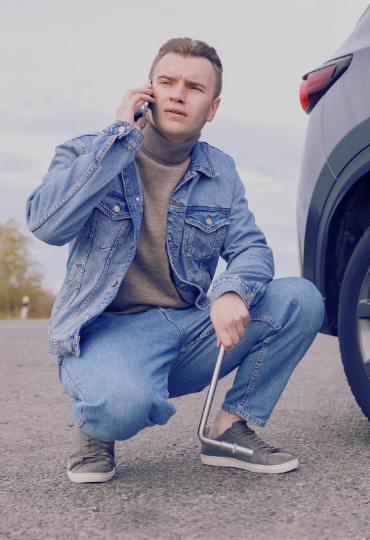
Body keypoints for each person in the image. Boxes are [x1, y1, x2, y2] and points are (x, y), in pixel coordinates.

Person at [25, 37, 325, 484]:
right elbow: (47, 224)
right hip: (108, 331)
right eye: (166, 82)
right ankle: (98, 423)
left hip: (186, 329)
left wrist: (230, 290)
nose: (178, 93)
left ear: (213, 107)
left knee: (300, 298)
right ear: (148, 91)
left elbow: (252, 248)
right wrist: (118, 140)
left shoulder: (220, 171)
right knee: (121, 407)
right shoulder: (87, 150)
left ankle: (228, 429)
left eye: (193, 87)